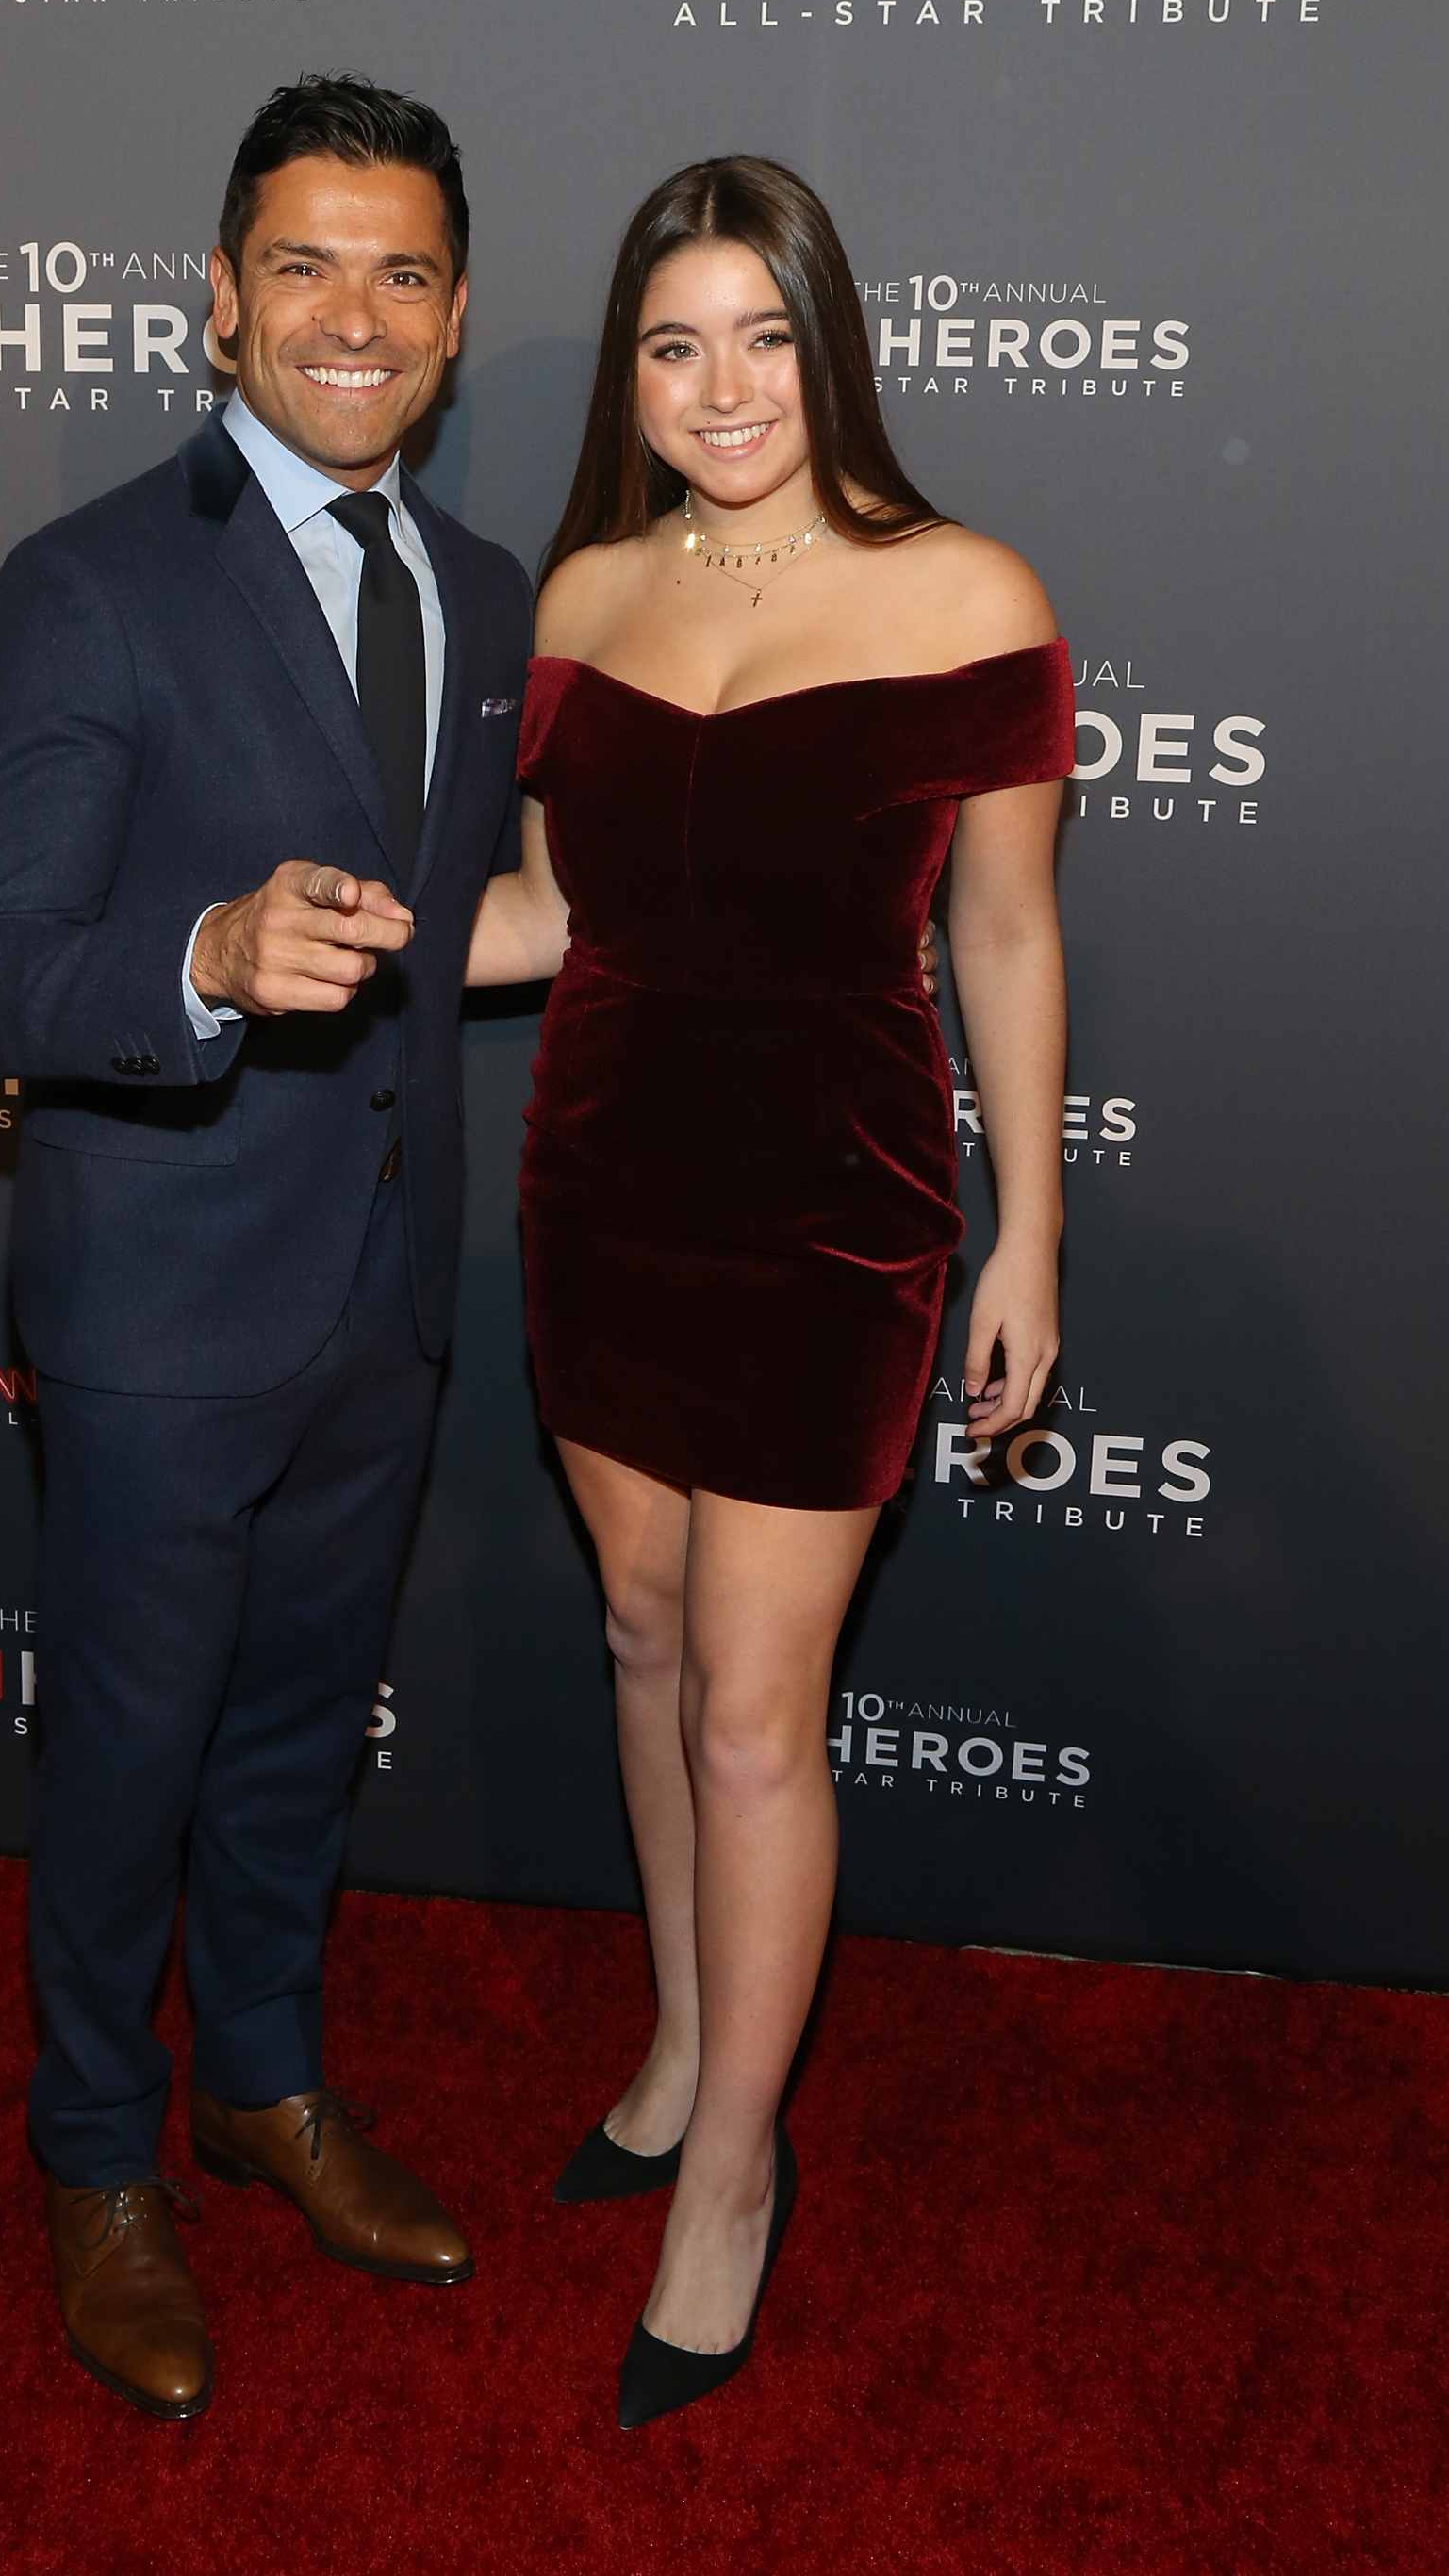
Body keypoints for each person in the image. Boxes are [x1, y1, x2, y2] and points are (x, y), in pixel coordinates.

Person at [0, 77, 533, 2420]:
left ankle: (262, 2087)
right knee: (132, 1756)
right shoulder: (89, 579)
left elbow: (459, 920)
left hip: (384, 1281)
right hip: (164, 1296)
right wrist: (198, 948)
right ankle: (97, 2157)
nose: (351, 314)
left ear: (457, 319)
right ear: (221, 293)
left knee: (295, 1737)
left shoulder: (474, 594)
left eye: (400, 273)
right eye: (303, 263)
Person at [465, 156, 1072, 2428]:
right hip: (600, 1177)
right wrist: (272, 945)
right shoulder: (590, 586)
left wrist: (1031, 1226)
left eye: (764, 335)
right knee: (636, 1630)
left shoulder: (964, 590)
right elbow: (541, 917)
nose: (722, 387)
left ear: (834, 342)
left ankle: (735, 2172)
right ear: (630, 366)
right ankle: (683, 2033)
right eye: (672, 341)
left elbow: (1001, 932)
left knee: (750, 1712)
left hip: (834, 1204)